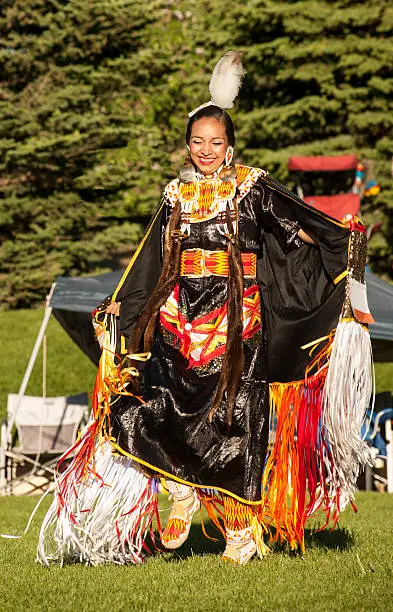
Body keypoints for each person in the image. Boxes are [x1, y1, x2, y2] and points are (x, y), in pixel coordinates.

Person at [38, 52, 374, 567]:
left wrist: (337, 242)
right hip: (178, 318)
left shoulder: (251, 187)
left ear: (229, 143)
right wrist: (117, 310)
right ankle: (182, 491)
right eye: (198, 142)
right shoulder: (176, 194)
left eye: (215, 142)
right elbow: (149, 258)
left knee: (236, 418)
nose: (206, 151)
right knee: (157, 404)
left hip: (238, 323)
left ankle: (240, 529)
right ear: (188, 146)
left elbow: (296, 223)